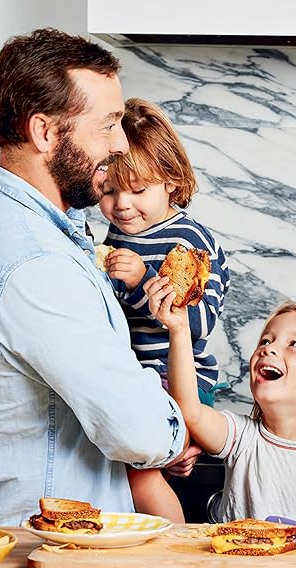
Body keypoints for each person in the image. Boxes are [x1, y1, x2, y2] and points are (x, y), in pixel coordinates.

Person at [0, 28, 189, 526]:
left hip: (48, 543)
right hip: (48, 553)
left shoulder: (10, 224)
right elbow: (139, 433)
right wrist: (176, 428)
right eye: (107, 125)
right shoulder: (36, 262)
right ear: (44, 133)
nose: (121, 143)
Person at [145, 282, 296, 524]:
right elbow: (190, 411)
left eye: (294, 344)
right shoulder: (243, 438)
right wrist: (179, 329)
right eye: (264, 341)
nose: (268, 348)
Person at [97, 98, 231, 521]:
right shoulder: (115, 235)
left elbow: (198, 323)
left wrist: (141, 281)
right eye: (109, 191)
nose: (122, 205)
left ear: (171, 181)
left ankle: (173, 548)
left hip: (180, 383)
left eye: (138, 190)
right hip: (137, 385)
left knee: (141, 477)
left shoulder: (190, 241)